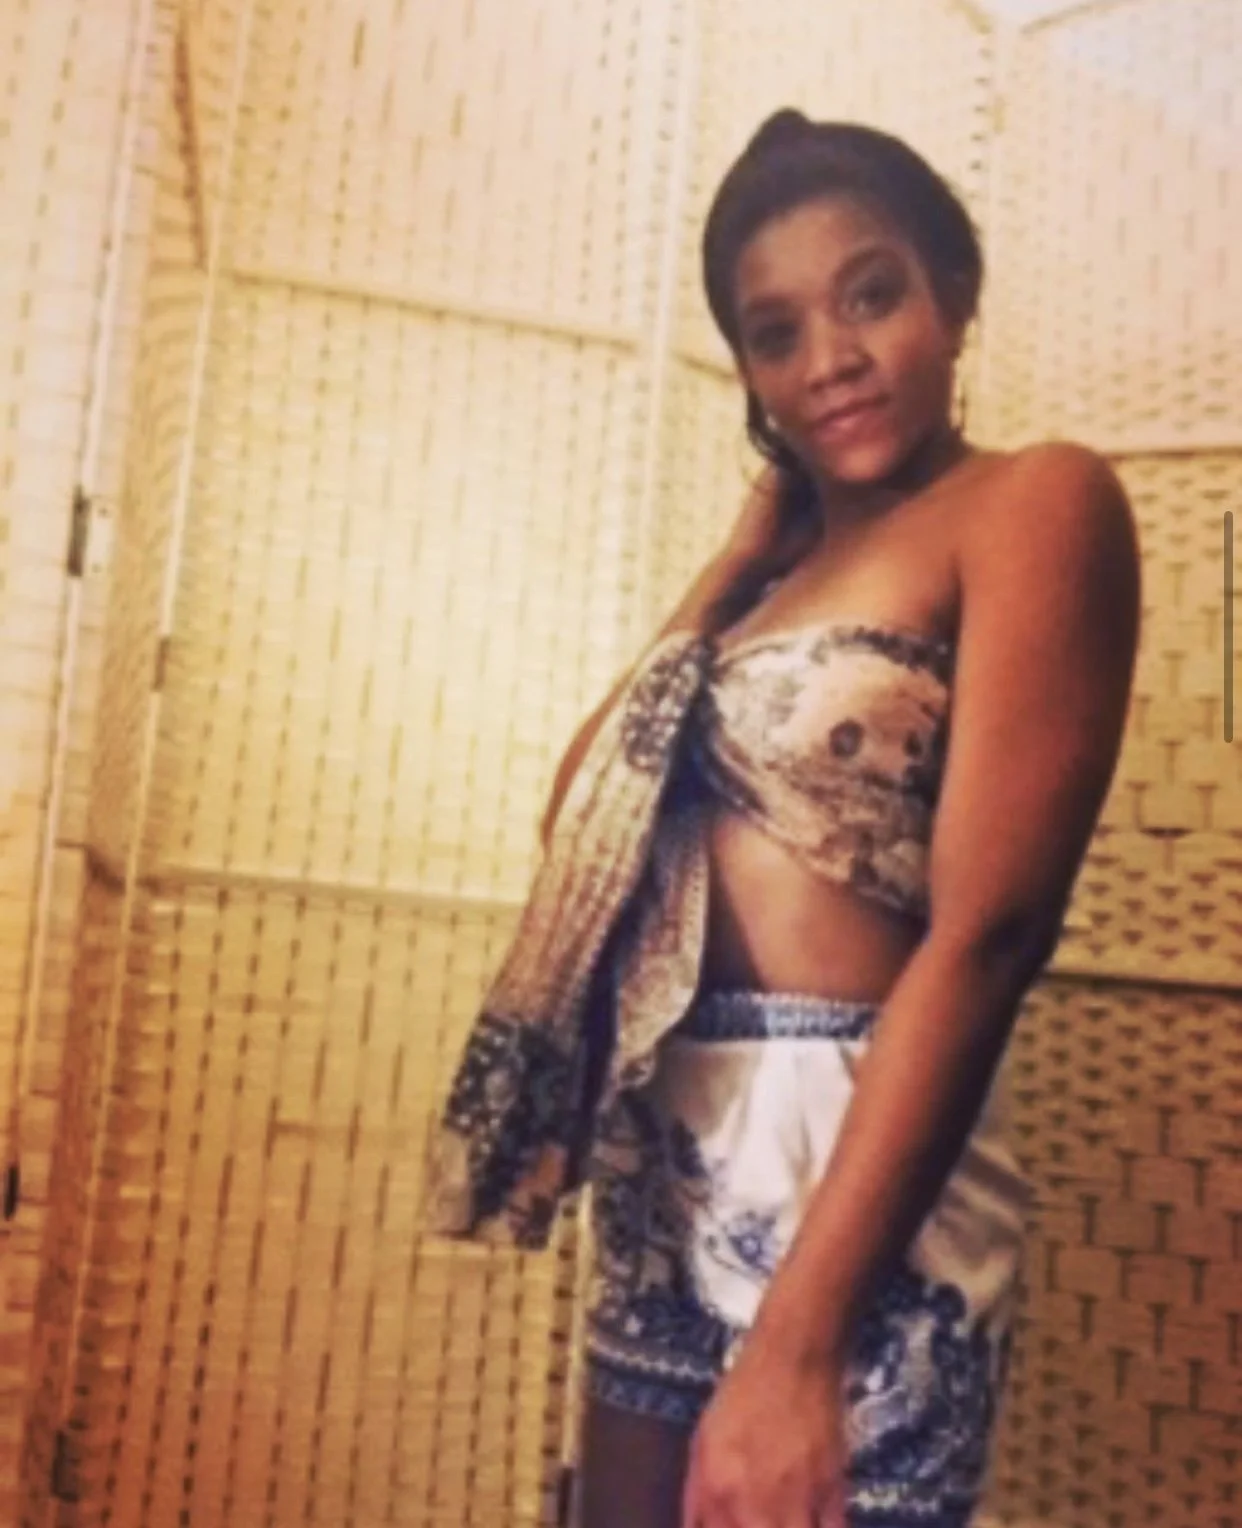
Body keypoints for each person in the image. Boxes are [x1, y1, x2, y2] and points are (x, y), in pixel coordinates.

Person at [427, 110, 1141, 1528]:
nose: (830, 359)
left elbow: (991, 935)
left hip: (857, 1154)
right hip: (674, 1135)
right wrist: (733, 563)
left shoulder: (1033, 501)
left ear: (952, 292)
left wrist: (801, 1340)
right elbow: (586, 820)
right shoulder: (769, 578)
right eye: (775, 333)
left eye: (870, 295)